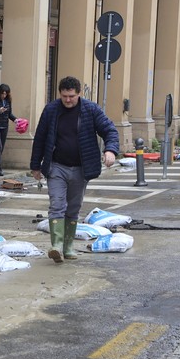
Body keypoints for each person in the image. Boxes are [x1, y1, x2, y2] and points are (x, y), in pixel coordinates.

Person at [30, 76, 119, 263]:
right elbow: (40, 137)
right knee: (57, 204)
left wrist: (110, 150)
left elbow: (109, 130)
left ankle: (68, 247)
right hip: (56, 166)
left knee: (73, 207)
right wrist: (35, 165)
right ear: (59, 94)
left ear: (79, 94)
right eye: (64, 96)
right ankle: (56, 246)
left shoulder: (90, 110)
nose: (68, 100)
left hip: (81, 168)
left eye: (71, 96)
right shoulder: (51, 110)